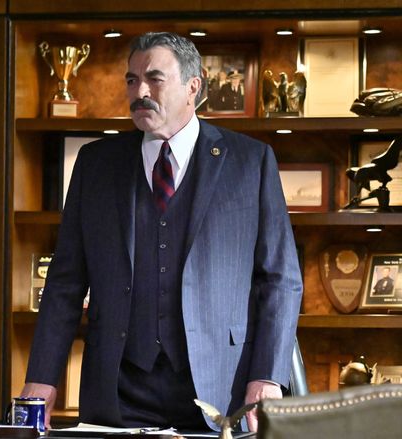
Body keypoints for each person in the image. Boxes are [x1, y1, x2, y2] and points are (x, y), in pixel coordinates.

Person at [21, 32, 302, 434]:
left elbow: (280, 279)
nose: (140, 92)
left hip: (221, 389)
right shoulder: (95, 164)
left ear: (193, 86)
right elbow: (65, 281)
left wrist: (268, 376)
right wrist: (42, 378)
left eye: (154, 79)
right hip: (118, 389)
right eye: (132, 80)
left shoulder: (250, 162)